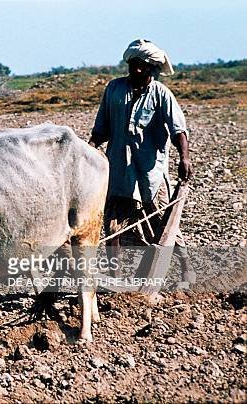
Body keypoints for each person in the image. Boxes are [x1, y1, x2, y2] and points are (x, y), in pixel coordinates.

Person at [88, 39, 195, 287]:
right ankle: (114, 279)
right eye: (133, 64)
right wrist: (89, 151)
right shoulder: (114, 90)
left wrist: (184, 157)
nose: (136, 70)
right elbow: (101, 129)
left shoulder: (161, 94)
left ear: (151, 68)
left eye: (142, 66)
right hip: (118, 172)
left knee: (162, 222)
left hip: (150, 174)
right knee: (113, 226)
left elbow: (179, 130)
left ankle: (187, 270)